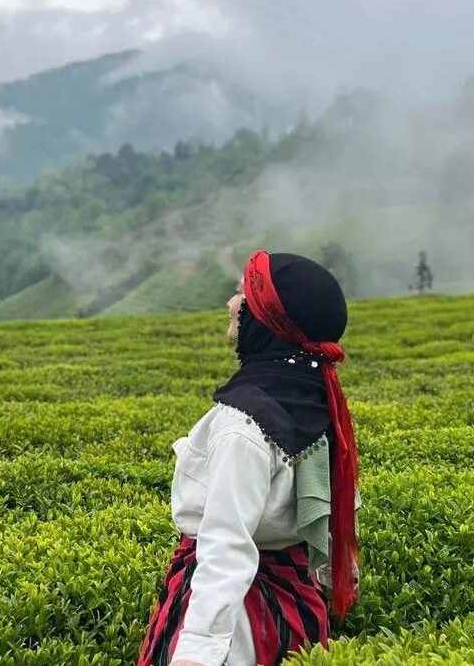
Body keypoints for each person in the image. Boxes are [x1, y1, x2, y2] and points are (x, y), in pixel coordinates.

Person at [136, 250, 361, 666]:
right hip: (295, 606)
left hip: (240, 626)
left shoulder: (242, 424)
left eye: (244, 295)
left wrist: (197, 651)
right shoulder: (315, 396)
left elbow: (227, 544)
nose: (231, 303)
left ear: (267, 322)